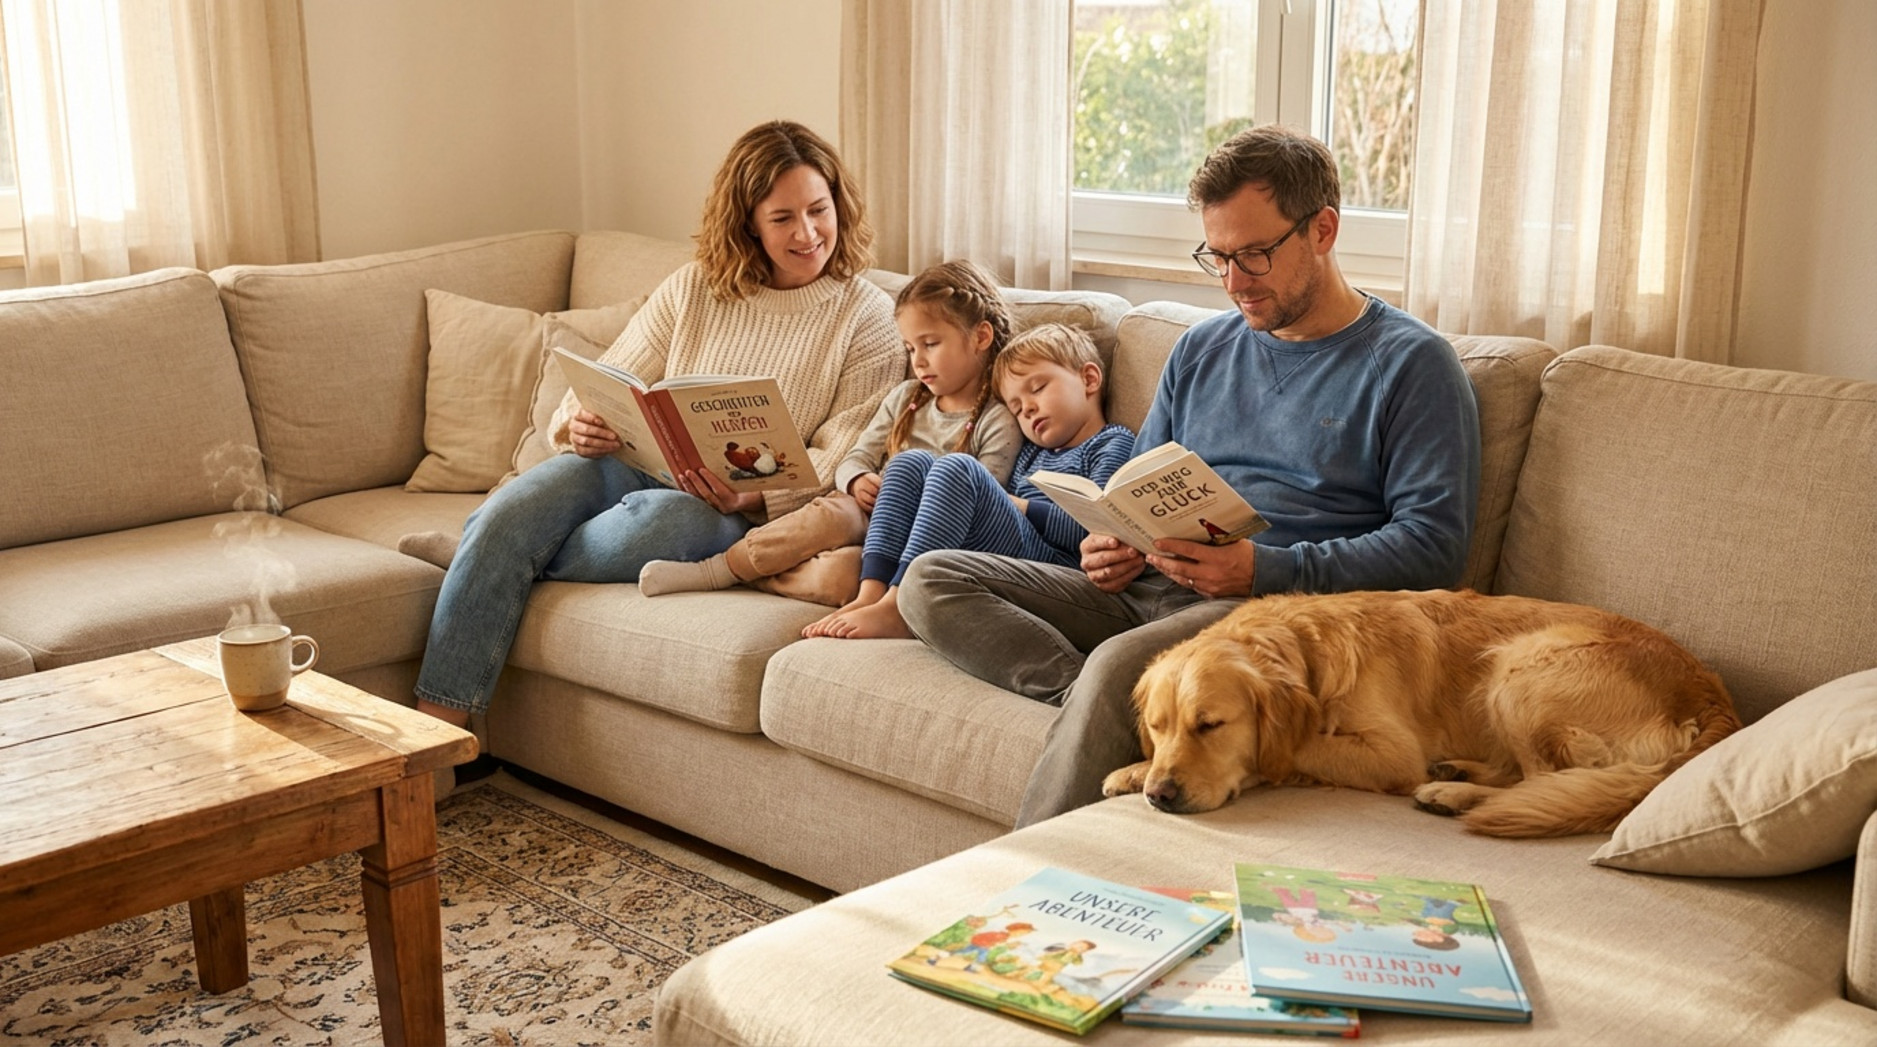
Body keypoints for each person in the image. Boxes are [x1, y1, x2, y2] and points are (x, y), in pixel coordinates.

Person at [898, 124, 1481, 825]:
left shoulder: (1411, 364)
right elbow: (1137, 487)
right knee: (932, 578)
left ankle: (1029, 881)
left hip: (1262, 616)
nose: (1234, 281)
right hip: (1147, 586)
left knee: (1120, 666)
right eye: (1218, 256)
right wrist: (1110, 541)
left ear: (1322, 230)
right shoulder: (1200, 350)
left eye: (1255, 255)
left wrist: (1260, 569)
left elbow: (1432, 546)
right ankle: (1114, 701)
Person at [411, 120, 903, 748]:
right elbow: (604, 379)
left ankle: (484, 557)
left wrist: (752, 496)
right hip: (629, 463)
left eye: (818, 210)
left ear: (840, 205)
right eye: (783, 218)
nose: (808, 234)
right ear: (749, 221)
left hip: (732, 512)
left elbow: (844, 454)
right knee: (520, 509)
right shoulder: (697, 286)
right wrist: (580, 422)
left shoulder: (868, 318)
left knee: (649, 527)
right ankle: (433, 742)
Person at [636, 259, 1023, 606]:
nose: (918, 361)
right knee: (834, 515)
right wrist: (856, 480)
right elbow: (856, 455)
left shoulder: (998, 420)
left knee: (842, 579)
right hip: (866, 514)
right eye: (909, 349)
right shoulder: (907, 398)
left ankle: (756, 575)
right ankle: (715, 571)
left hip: (922, 538)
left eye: (931, 344)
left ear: (981, 337)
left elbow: (982, 497)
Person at [806, 323, 1135, 639]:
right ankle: (871, 593)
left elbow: (1102, 533)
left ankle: (900, 605)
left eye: (1038, 389)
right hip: (1002, 554)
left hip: (1057, 570)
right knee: (909, 462)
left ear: (1089, 379)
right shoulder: (1031, 452)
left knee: (959, 468)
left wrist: (1017, 505)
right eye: (1017, 408)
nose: (1029, 411)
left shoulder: (1112, 442)